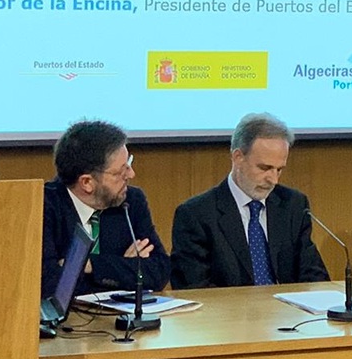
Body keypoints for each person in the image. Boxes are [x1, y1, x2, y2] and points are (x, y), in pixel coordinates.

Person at [170, 113, 330, 288]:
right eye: (265, 168)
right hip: (229, 313)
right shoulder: (197, 215)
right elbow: (195, 288)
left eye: (279, 170)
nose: (273, 180)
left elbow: (314, 275)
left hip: (287, 312)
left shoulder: (293, 204)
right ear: (238, 157)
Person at [41, 120, 169, 299]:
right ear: (87, 182)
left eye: (129, 163)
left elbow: (159, 271)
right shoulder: (44, 207)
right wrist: (123, 266)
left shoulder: (132, 201)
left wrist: (89, 265)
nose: (131, 174)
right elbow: (49, 286)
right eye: (120, 171)